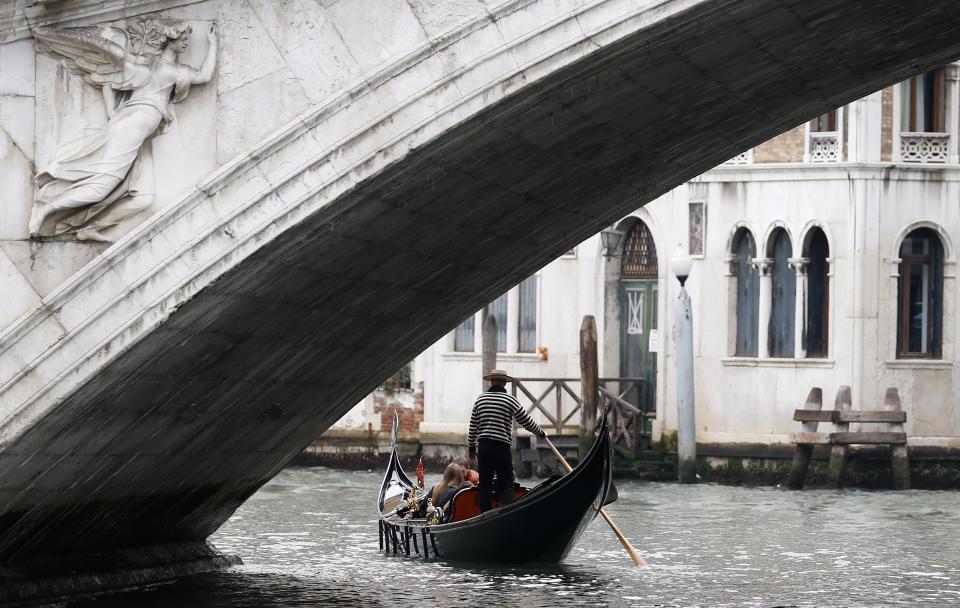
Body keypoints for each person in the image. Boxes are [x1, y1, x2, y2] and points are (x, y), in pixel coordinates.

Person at [468, 369, 546, 512]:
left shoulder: (480, 399)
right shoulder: (510, 400)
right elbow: (526, 420)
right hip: (501, 447)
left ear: (491, 382)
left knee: (485, 484)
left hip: (484, 447)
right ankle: (504, 513)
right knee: (506, 483)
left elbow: (473, 426)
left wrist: (471, 448)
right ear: (504, 383)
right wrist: (539, 432)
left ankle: (484, 516)